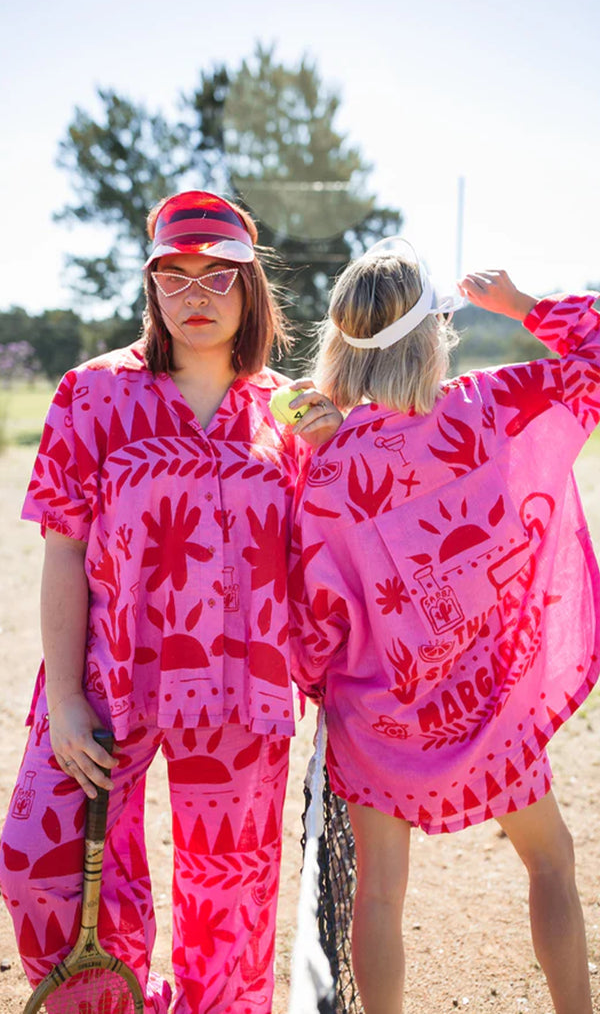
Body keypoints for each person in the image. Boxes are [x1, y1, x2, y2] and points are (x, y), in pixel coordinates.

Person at [0, 189, 341, 1014]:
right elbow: (66, 550)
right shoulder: (92, 393)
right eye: (174, 277)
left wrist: (342, 442)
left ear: (250, 288)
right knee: (38, 858)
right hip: (109, 677)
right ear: (150, 288)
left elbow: (340, 544)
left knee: (228, 905)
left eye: (217, 277)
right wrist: (70, 699)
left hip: (242, 685)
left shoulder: (286, 410)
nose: (195, 295)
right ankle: (106, 1000)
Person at [289, 240, 599, 1014]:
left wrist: (325, 686)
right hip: (489, 705)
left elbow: (313, 619)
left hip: (378, 717)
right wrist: (526, 305)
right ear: (434, 337)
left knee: (381, 895)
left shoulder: (325, 468)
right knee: (552, 863)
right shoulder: (486, 409)